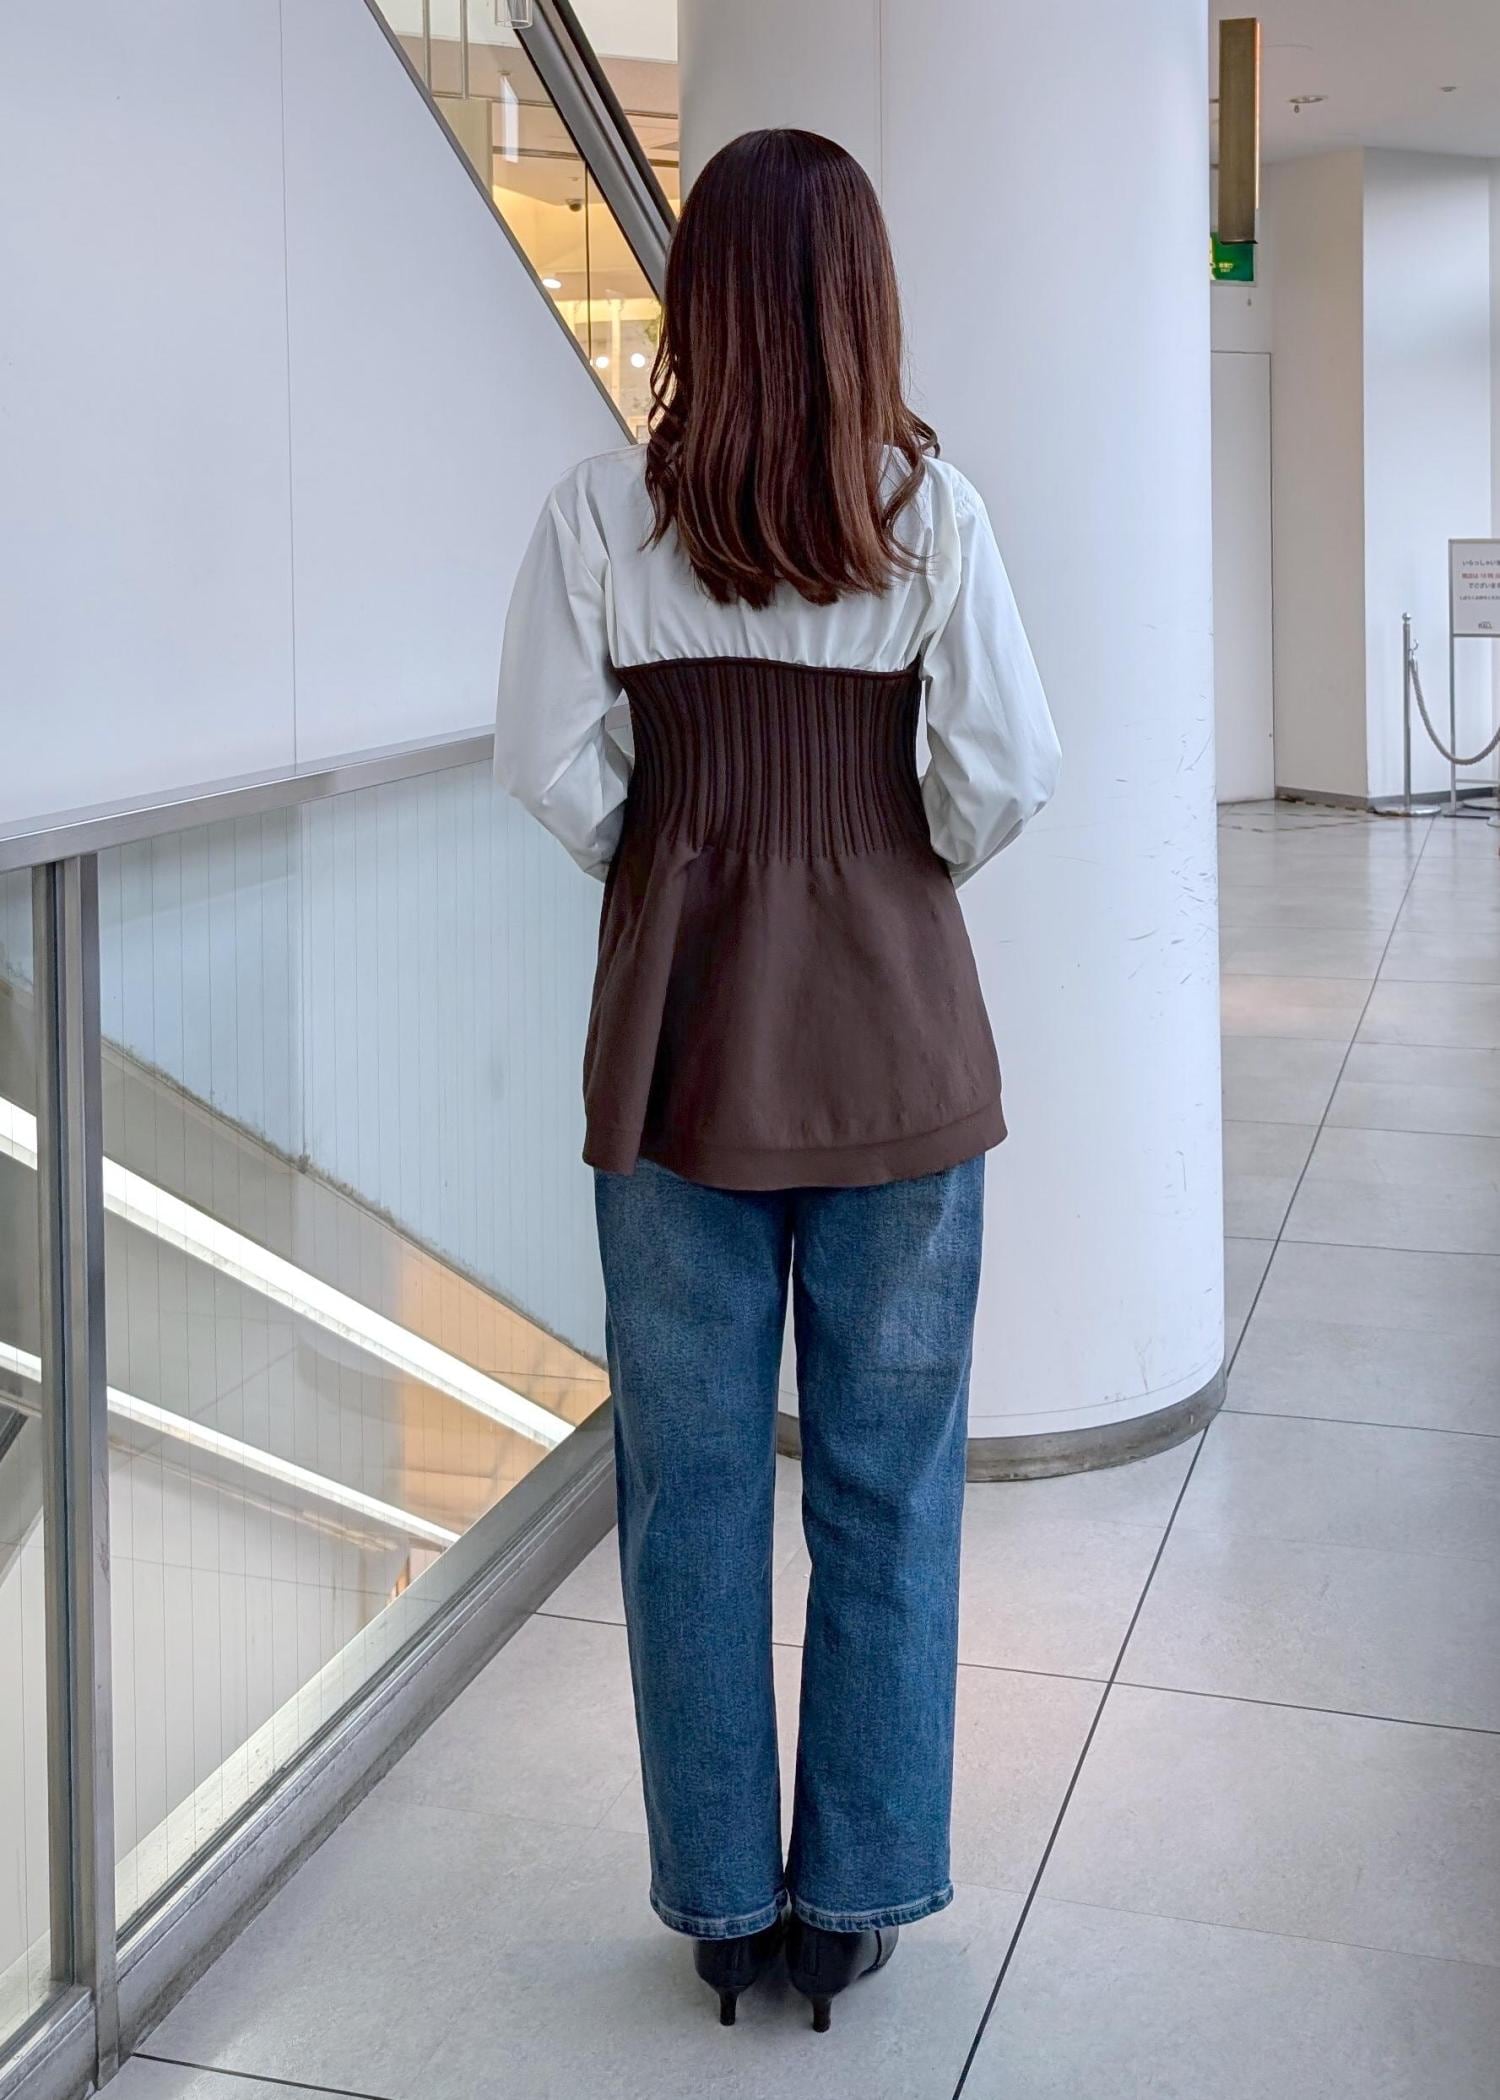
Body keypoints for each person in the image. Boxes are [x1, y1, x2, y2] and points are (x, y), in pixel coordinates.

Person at [494, 127, 1059, 2034]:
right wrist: (872, 865)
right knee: (889, 1488)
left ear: (698, 303)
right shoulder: (931, 516)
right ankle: (860, 1896)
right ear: (861, 305)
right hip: (897, 1044)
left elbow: (549, 762)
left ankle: (726, 1904)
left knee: (694, 1490)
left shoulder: (598, 514)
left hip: (679, 1050)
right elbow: (1003, 777)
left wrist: (681, 860)